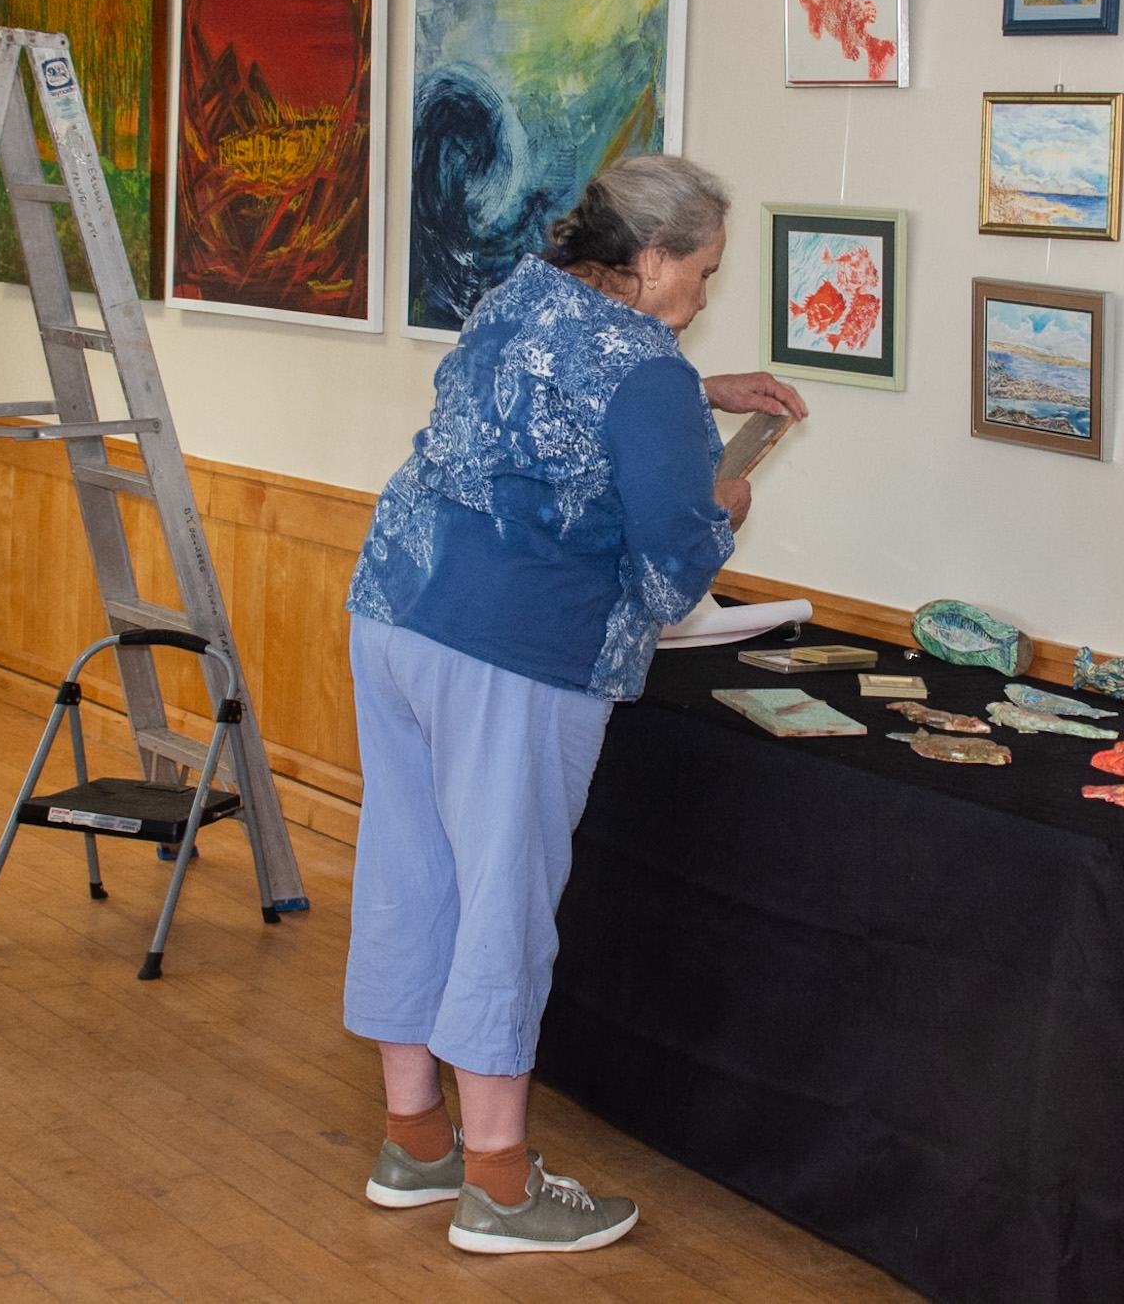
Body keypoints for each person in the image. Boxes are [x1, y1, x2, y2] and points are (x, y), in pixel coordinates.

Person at [342, 154, 808, 1254]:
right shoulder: (641, 369)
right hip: (509, 645)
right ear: (646, 263)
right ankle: (499, 1187)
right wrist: (722, 501)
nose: (700, 294)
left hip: (395, 603)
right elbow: (672, 562)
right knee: (502, 892)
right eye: (698, 272)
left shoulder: (525, 288)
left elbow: (551, 385)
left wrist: (705, 392)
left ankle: (415, 1143)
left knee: (411, 870)